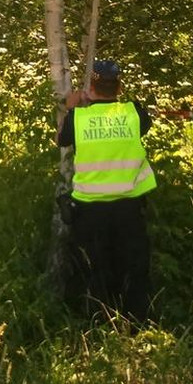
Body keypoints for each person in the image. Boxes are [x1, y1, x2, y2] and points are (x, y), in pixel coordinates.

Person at [56, 59, 156, 323]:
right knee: (133, 270)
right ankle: (135, 327)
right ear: (119, 86)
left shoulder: (78, 117)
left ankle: (98, 327)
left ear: (91, 86)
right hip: (129, 208)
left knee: (94, 270)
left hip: (90, 210)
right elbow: (144, 127)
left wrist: (70, 107)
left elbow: (61, 140)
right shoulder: (134, 112)